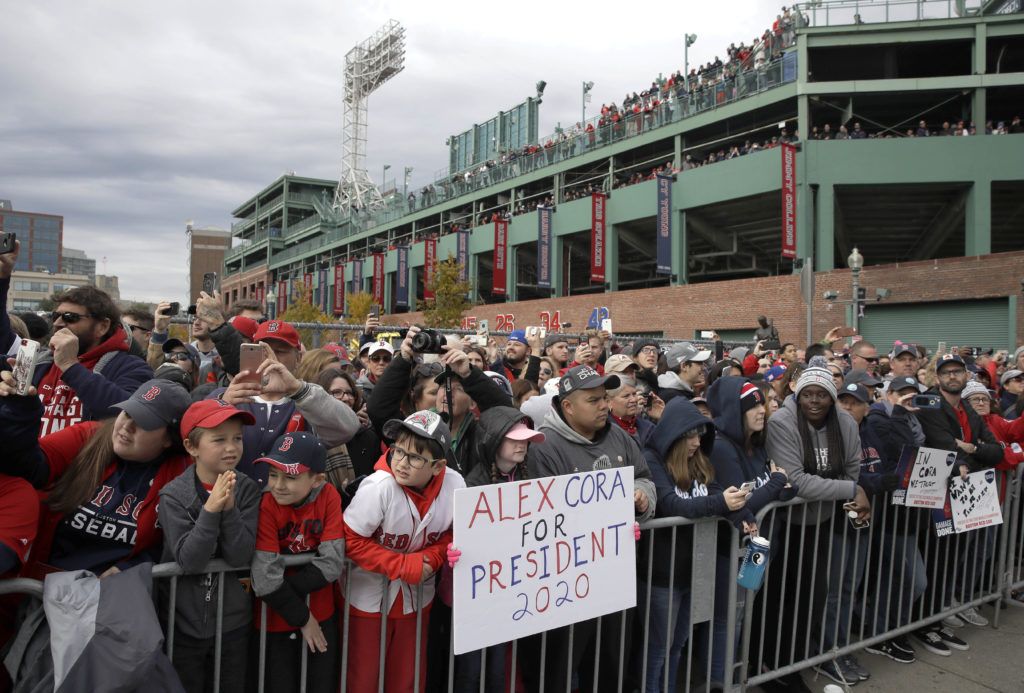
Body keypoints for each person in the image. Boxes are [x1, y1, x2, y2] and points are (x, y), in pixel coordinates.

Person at [523, 365, 656, 693]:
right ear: (567, 406)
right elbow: (545, 518)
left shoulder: (618, 436)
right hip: (566, 588)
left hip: (615, 578)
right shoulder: (545, 446)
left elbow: (644, 475)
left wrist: (643, 497)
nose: (604, 406)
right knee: (558, 670)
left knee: (610, 666)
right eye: (593, 400)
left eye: (604, 398)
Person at [0, 378, 191, 579]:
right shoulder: (90, 436)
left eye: (144, 422)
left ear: (169, 438)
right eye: (127, 413)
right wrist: (20, 412)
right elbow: (28, 467)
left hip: (113, 599)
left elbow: (188, 543)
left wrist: (139, 565)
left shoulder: (183, 470)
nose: (127, 426)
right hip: (43, 587)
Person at [342, 410, 466, 693]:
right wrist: (403, 565)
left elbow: (452, 532)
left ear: (438, 466)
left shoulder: (455, 484)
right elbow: (349, 539)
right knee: (363, 679)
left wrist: (432, 558)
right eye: (398, 451)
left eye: (415, 457)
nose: (401, 463)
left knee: (407, 679)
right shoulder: (378, 487)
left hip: (417, 598)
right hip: (367, 596)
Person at [763, 365, 870, 689]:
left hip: (821, 522)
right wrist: (849, 491)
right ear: (797, 395)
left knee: (814, 595)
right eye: (806, 394)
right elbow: (797, 482)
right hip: (781, 526)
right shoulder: (783, 421)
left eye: (821, 395)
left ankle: (793, 661)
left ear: (831, 398)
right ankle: (773, 666)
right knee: (777, 597)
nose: (813, 401)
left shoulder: (845, 423)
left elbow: (853, 468)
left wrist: (848, 487)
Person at [640, 396, 750, 693]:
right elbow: (671, 504)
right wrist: (719, 502)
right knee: (658, 646)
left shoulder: (700, 461)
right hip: (663, 572)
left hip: (696, 569)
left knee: (678, 643)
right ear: (674, 432)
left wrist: (742, 513)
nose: (695, 442)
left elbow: (717, 493)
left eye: (699, 434)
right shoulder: (652, 459)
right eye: (689, 434)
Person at [158, 400, 260, 693]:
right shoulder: (174, 495)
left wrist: (229, 511)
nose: (231, 447)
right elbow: (190, 560)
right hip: (183, 624)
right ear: (191, 447)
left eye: (237, 438)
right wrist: (211, 511)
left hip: (234, 623)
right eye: (219, 439)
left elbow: (241, 555)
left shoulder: (248, 490)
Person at [0, 248, 153, 435]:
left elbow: (128, 415)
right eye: (55, 315)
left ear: (102, 326)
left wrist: (70, 366)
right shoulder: (38, 362)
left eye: (70, 317)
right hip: (32, 461)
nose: (57, 323)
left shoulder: (130, 367)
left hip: (84, 463)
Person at [706, 377, 794, 687]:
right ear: (734, 411)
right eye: (753, 405)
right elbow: (743, 502)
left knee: (742, 616)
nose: (762, 410)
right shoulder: (720, 447)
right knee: (728, 619)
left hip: (757, 548)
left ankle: (731, 679)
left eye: (762, 403)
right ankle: (721, 682)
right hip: (732, 552)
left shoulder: (754, 445)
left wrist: (777, 488)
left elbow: (768, 493)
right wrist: (776, 484)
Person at [450, 407, 544, 692]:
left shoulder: (529, 478)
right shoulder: (471, 484)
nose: (521, 444)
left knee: (497, 671)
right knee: (470, 672)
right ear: (493, 441)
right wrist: (452, 551)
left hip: (509, 594)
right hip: (476, 598)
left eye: (526, 439)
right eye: (513, 438)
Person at [251, 432, 345, 693]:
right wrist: (303, 618)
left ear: (317, 479)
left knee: (320, 684)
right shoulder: (267, 503)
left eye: (290, 477)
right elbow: (264, 579)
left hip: (321, 612)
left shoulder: (329, 496)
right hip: (274, 621)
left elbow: (332, 563)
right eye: (272, 474)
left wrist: (282, 589)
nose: (278, 485)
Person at [216, 320, 360, 486]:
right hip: (233, 504)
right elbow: (195, 442)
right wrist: (222, 406)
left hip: (290, 508)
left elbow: (348, 427)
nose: (271, 358)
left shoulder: (309, 401)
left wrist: (296, 388)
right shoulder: (226, 395)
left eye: (280, 351)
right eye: (262, 351)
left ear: (298, 358)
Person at [367, 326, 512, 476]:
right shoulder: (417, 429)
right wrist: (403, 360)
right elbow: (378, 409)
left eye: (459, 388)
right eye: (443, 386)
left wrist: (469, 373)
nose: (448, 392)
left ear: (472, 402)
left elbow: (507, 415)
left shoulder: (481, 435)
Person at [316, 367, 380, 483]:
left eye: (350, 393)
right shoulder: (311, 435)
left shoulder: (367, 437)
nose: (346, 398)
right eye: (337, 392)